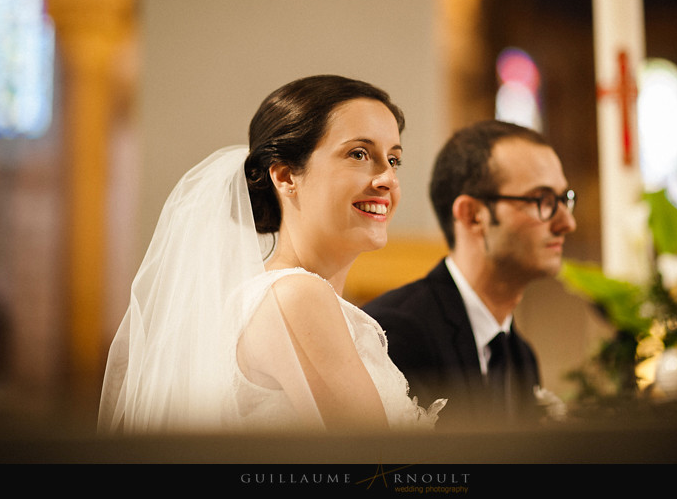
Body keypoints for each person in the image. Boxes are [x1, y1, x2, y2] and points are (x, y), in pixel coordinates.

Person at [98, 75, 445, 434]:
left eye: (393, 159)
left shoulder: (278, 294)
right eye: (359, 154)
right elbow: (382, 466)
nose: (387, 178)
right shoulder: (296, 298)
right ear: (284, 176)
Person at [362, 120, 576, 429]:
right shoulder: (397, 334)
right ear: (472, 215)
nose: (567, 222)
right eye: (542, 201)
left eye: (565, 199)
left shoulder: (521, 355)